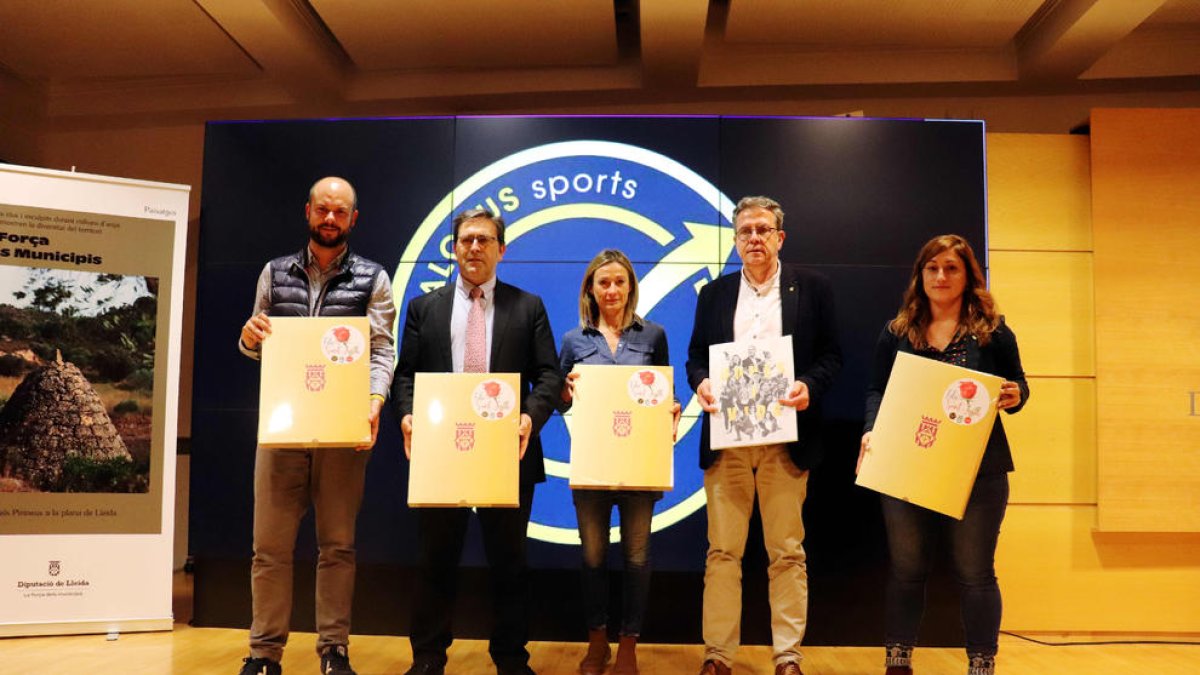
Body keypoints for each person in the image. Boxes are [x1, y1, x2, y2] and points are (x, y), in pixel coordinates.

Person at [236, 176, 396, 675]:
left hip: (343, 431)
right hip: (282, 431)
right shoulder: (273, 272)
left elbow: (382, 349)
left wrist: (375, 400)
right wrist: (247, 336)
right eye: (322, 209)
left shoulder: (373, 278)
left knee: (338, 547)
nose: (330, 218)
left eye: (340, 211)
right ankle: (264, 654)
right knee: (269, 550)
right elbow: (254, 340)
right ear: (308, 211)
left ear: (354, 219)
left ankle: (334, 650)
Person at [392, 207, 562, 675]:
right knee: (434, 561)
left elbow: (549, 375)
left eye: (484, 240)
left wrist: (530, 417)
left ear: (501, 250)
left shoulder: (528, 306)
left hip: (509, 452)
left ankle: (510, 658)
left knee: (510, 564)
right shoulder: (424, 308)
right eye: (466, 239)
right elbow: (405, 375)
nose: (474, 248)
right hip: (441, 453)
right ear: (453, 248)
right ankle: (428, 658)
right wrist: (407, 416)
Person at [686, 196, 842, 675]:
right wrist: (701, 382)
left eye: (762, 230)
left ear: (779, 237)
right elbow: (695, 358)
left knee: (787, 553)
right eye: (745, 231)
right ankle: (718, 655)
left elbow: (832, 357)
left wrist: (808, 388)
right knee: (722, 553)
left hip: (785, 443)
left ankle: (788, 656)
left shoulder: (813, 289)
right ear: (735, 241)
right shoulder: (713, 294)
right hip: (727, 444)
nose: (753, 238)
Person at [858, 234, 1028, 675]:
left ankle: (981, 664)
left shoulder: (993, 332)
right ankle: (898, 661)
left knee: (975, 570)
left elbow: (1019, 385)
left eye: (952, 268)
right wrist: (871, 431)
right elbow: (876, 388)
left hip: (979, 471)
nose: (941, 276)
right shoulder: (897, 331)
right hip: (905, 462)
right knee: (907, 567)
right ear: (920, 275)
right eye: (932, 268)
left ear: (969, 275)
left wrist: (1014, 395)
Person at [558, 249, 682, 675]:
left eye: (619, 282)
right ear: (590, 289)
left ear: (630, 286)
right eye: (603, 282)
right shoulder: (575, 340)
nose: (612, 290)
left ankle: (628, 644)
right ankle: (597, 642)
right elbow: (559, 400)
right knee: (593, 558)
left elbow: (664, 393)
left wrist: (673, 408)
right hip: (592, 467)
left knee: (636, 558)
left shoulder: (654, 337)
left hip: (638, 467)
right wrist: (566, 391)